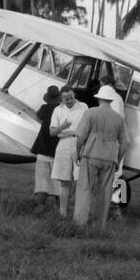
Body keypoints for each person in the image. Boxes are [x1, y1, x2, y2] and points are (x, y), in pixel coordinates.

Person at [72, 85, 128, 231]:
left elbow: (80, 137)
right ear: (110, 100)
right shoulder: (119, 118)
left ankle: (80, 223)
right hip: (110, 158)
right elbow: (125, 143)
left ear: (99, 99)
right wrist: (117, 159)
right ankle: (98, 226)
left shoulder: (91, 113)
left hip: (90, 154)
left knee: (85, 188)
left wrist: (77, 152)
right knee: (104, 192)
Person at [49, 86, 87, 218]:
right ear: (62, 99)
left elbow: (87, 127)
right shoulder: (58, 110)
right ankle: (63, 213)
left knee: (80, 180)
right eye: (66, 99)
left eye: (71, 97)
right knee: (64, 181)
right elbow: (52, 132)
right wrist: (63, 127)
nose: (70, 100)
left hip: (79, 143)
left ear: (74, 95)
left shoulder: (83, 107)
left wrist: (73, 132)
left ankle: (79, 213)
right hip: (64, 145)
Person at [31, 86, 61, 210]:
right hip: (57, 149)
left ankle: (41, 205)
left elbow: (38, 116)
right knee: (59, 180)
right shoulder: (61, 110)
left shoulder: (44, 108)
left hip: (43, 148)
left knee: (42, 179)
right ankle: (60, 208)